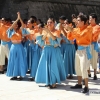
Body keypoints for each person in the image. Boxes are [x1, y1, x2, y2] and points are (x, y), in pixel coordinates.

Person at [35, 17, 66, 88]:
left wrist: (48, 32)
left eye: (51, 22)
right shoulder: (44, 31)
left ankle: (54, 82)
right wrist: (46, 32)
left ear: (54, 23)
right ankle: (48, 81)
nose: (49, 24)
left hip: (54, 50)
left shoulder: (57, 31)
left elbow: (55, 39)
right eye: (48, 22)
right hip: (46, 49)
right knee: (46, 65)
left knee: (53, 66)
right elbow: (42, 39)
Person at [67, 14, 92, 93]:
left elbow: (81, 36)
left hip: (84, 50)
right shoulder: (77, 29)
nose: (76, 22)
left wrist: (71, 30)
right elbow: (70, 38)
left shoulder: (88, 28)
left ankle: (86, 86)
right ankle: (79, 83)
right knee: (77, 67)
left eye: (78, 20)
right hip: (78, 50)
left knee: (83, 68)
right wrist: (70, 30)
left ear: (83, 22)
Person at [6, 12, 29, 80]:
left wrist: (19, 18)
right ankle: (14, 75)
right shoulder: (10, 31)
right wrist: (16, 19)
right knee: (13, 60)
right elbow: (11, 27)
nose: (15, 25)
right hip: (13, 46)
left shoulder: (20, 31)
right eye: (14, 25)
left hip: (19, 46)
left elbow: (23, 26)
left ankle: (21, 75)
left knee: (20, 60)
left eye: (16, 24)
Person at [88, 13, 100, 80]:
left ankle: (95, 74)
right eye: (89, 18)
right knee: (87, 58)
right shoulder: (87, 27)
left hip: (94, 44)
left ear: (94, 19)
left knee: (95, 58)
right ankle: (89, 72)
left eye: (90, 18)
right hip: (88, 44)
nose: (89, 20)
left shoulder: (98, 27)